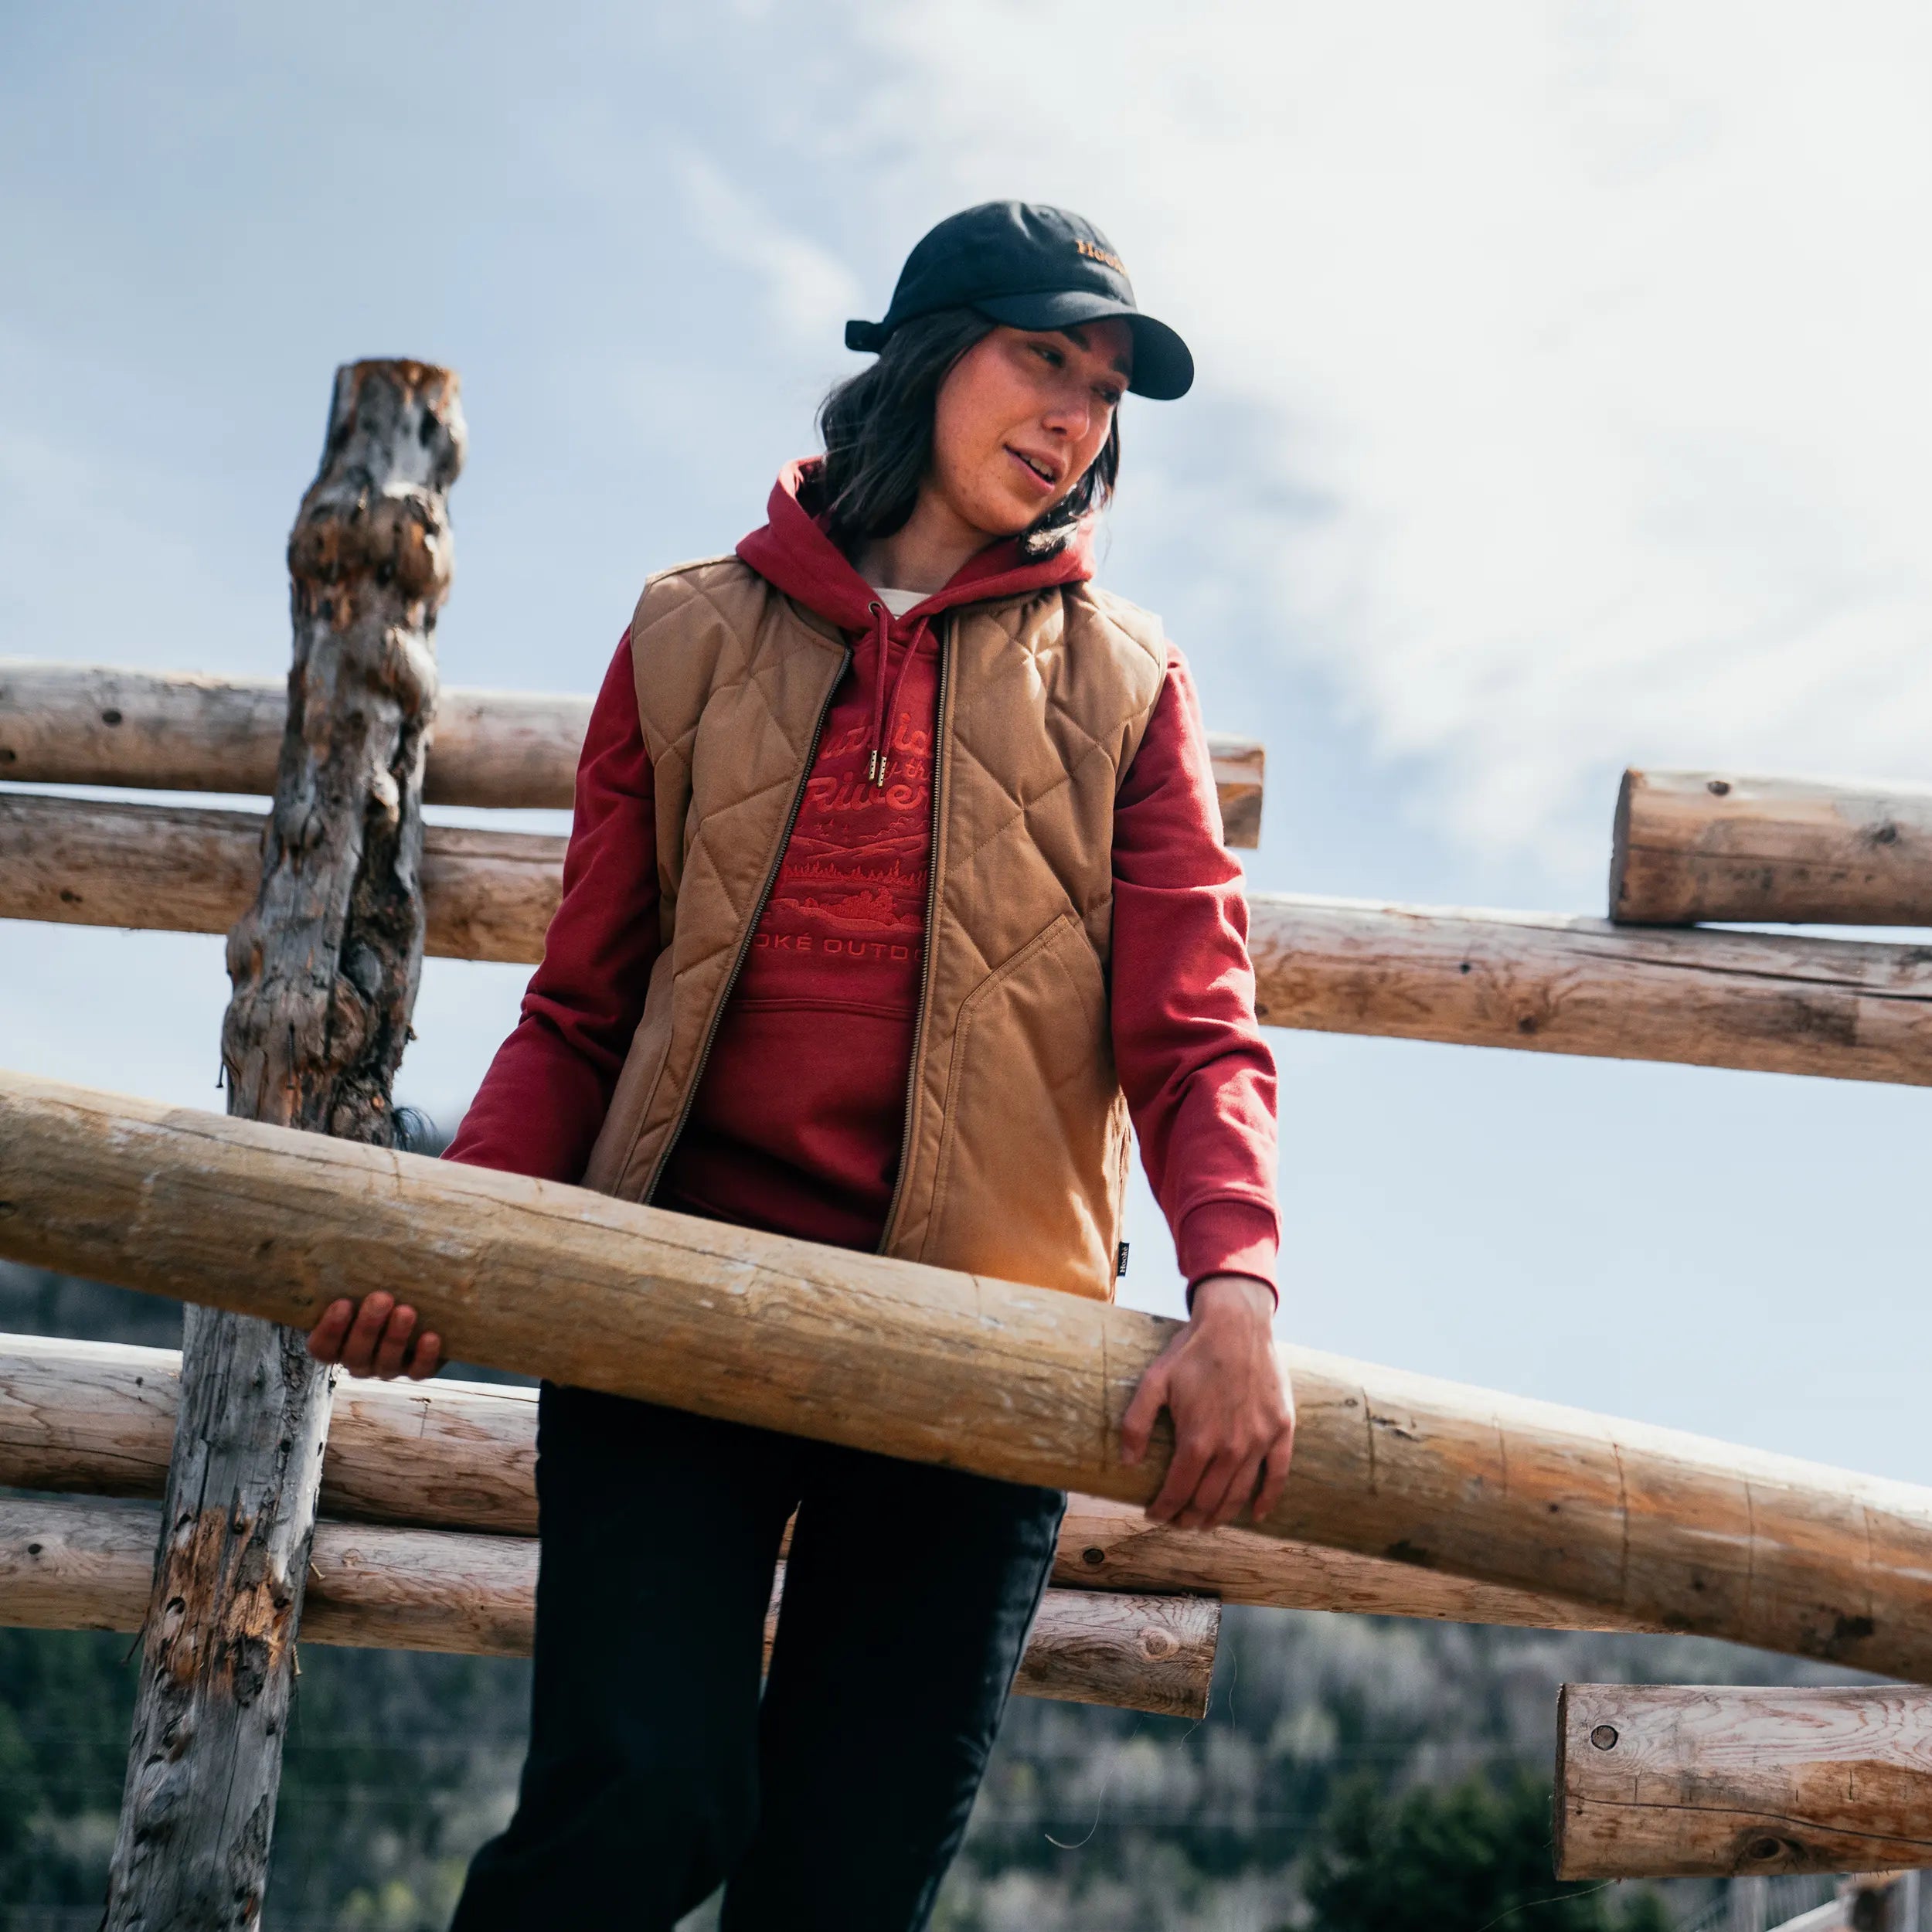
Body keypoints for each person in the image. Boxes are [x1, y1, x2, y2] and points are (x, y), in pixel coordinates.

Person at [307, 199, 1294, 1931]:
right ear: (923, 359)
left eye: (1106, 389)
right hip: (668, 1297)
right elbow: (581, 1006)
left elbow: (1191, 1025)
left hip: (980, 1344)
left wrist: (1237, 1288)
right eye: (1040, 358)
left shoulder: (1131, 685)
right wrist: (445, 1239)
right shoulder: (689, 629)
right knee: (640, 1807)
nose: (1073, 415)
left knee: (841, 1886)